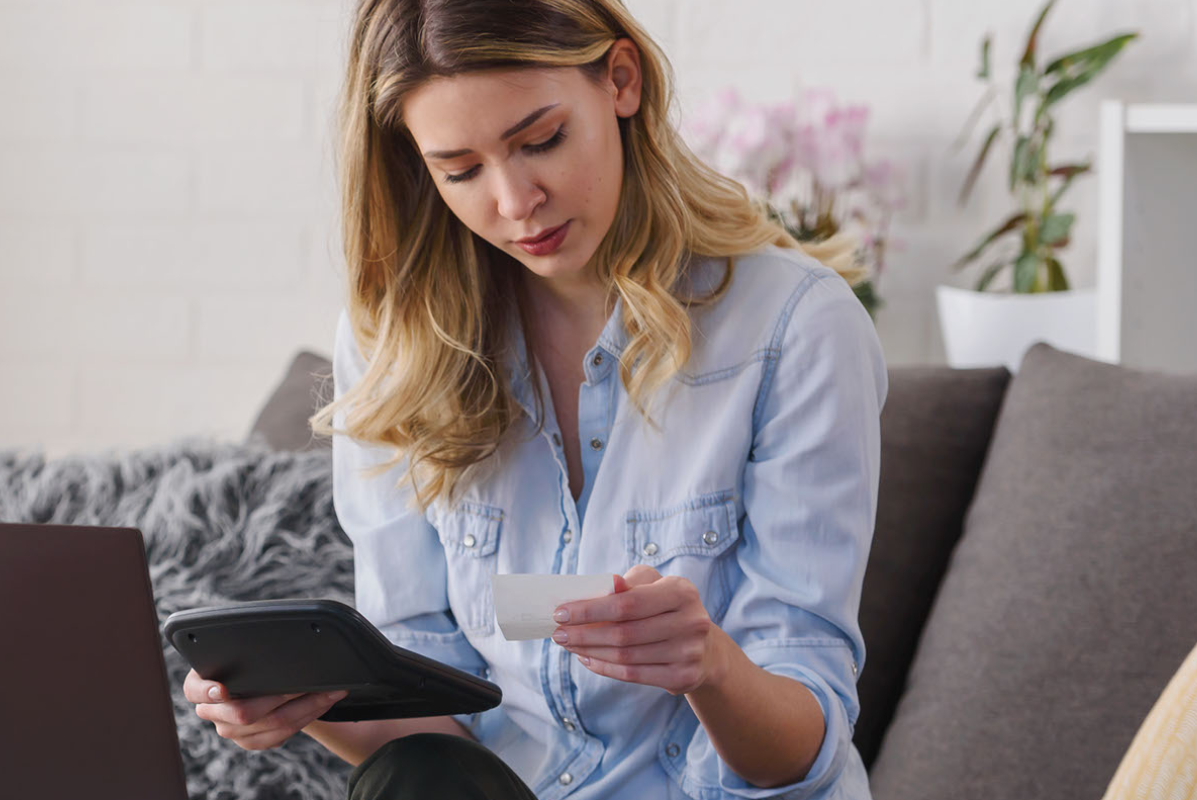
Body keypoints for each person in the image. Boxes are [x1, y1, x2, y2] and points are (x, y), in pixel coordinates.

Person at [180, 1, 886, 798]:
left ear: (621, 81)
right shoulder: (397, 346)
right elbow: (431, 714)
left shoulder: (796, 326)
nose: (516, 202)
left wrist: (711, 667)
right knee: (414, 773)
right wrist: (303, 701)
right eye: (461, 170)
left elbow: (801, 747)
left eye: (541, 140)